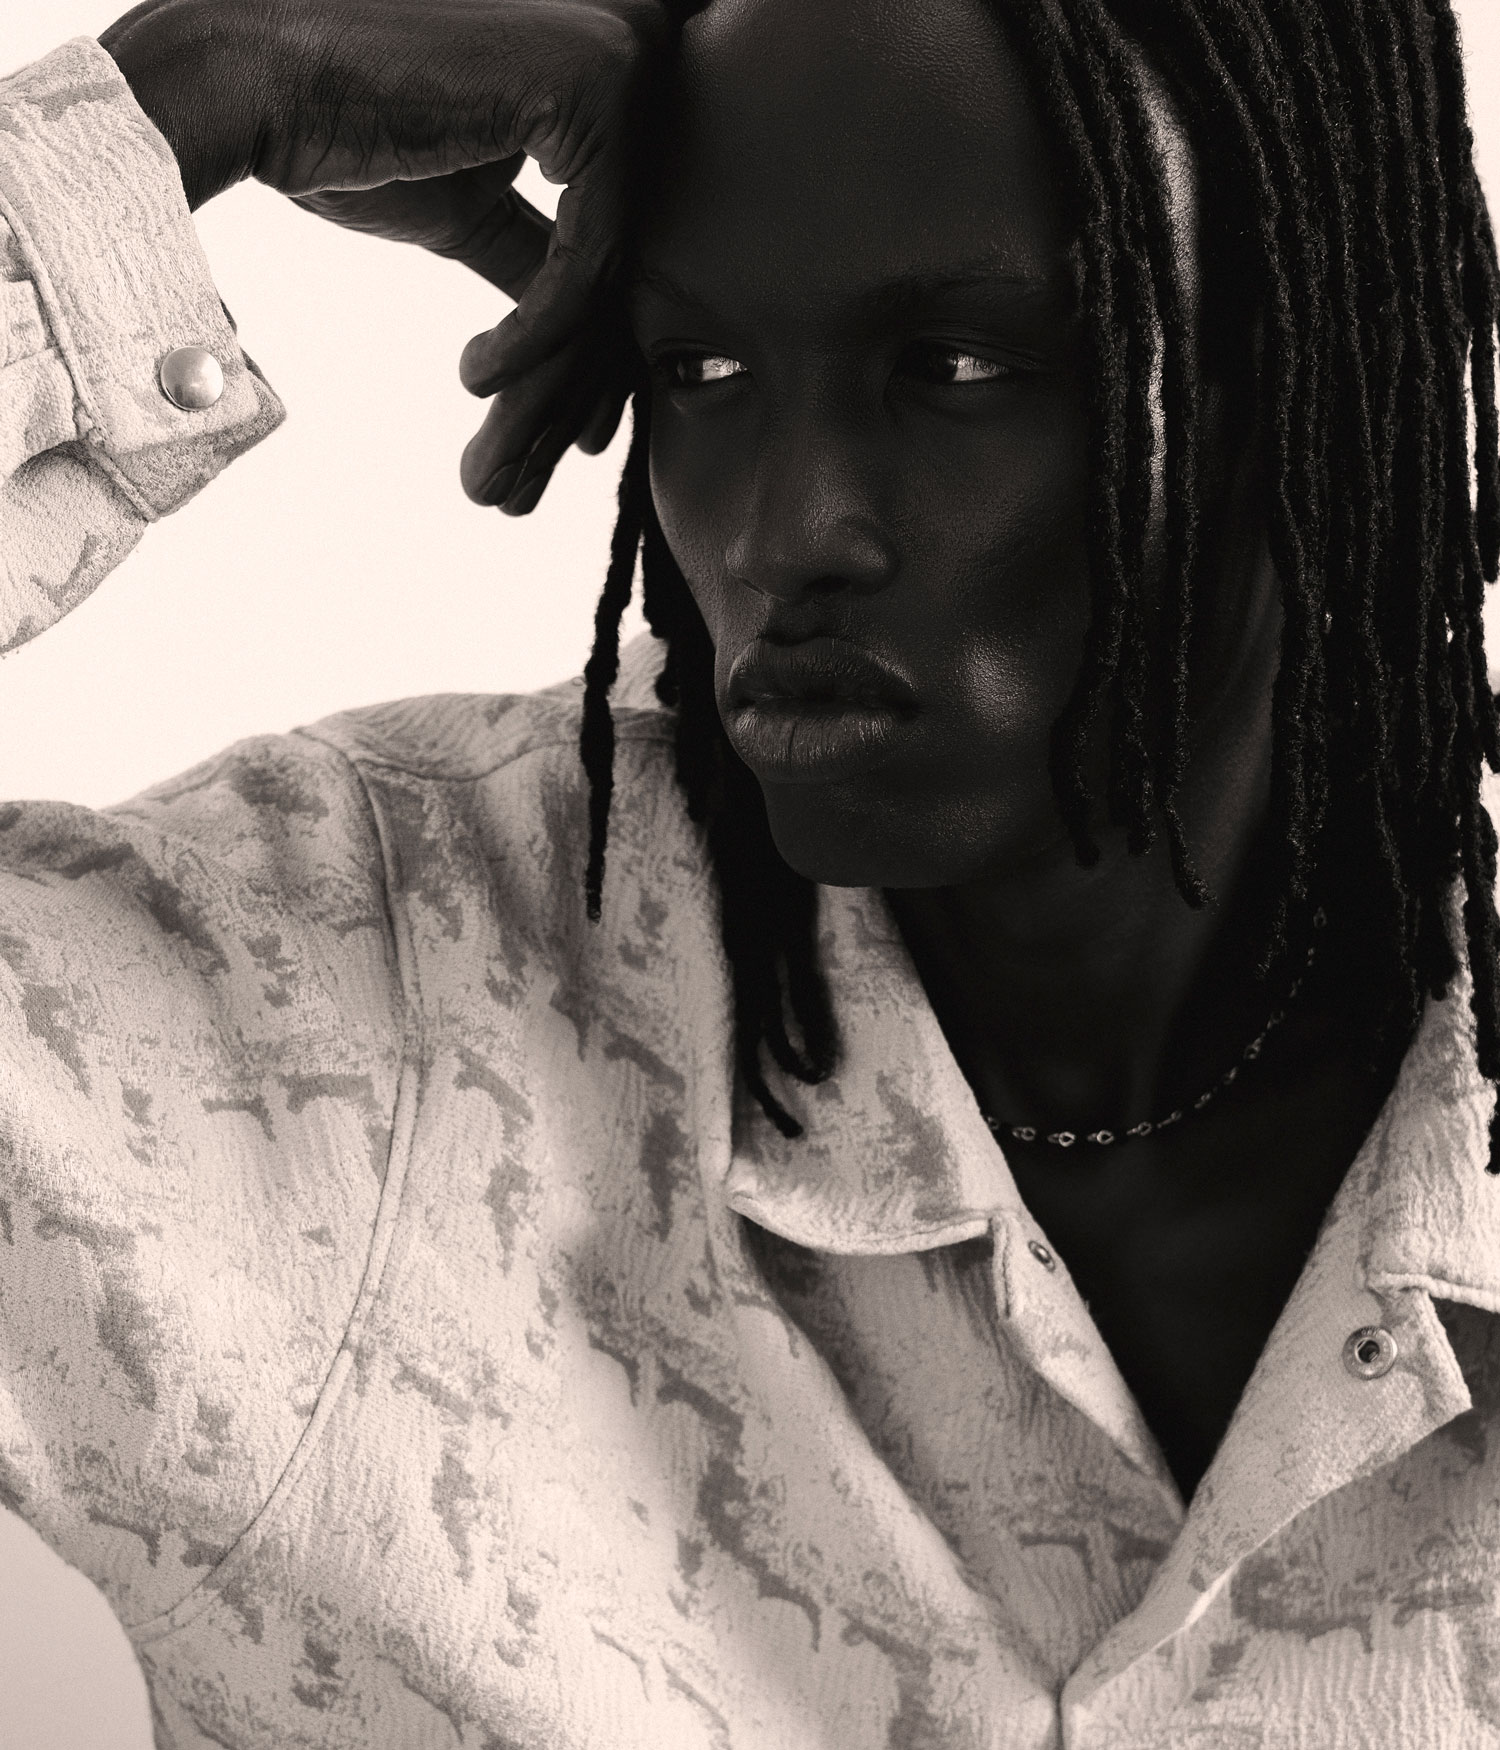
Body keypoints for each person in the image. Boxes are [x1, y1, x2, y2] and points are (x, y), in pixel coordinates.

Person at [2, 0, 1500, 1741]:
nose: (783, 536)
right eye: (700, 374)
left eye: (957, 368)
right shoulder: (358, 1005)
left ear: (1316, 375)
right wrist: (172, 108)